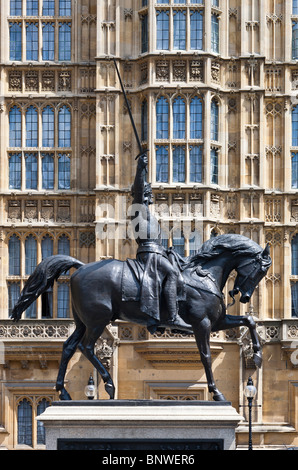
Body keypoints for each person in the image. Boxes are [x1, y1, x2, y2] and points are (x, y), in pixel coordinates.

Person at [130, 153, 179, 333]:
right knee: (172, 274)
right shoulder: (137, 209)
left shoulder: (148, 214)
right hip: (149, 255)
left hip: (157, 253)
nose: (151, 196)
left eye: (149, 193)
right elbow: (138, 189)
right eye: (148, 193)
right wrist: (140, 169)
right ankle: (172, 318)